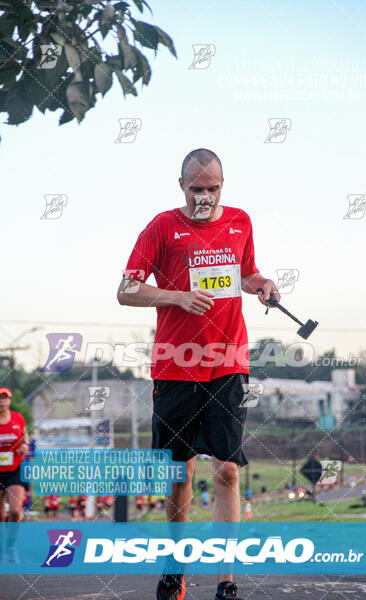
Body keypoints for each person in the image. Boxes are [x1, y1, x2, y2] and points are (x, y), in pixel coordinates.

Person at [117, 148, 280, 600]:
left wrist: (261, 285)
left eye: (213, 188)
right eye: (196, 188)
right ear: (181, 185)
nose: (205, 197)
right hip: (175, 363)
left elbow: (245, 274)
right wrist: (176, 297)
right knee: (179, 472)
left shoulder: (241, 221)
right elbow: (126, 290)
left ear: (222, 186)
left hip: (229, 361)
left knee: (227, 470)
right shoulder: (162, 227)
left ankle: (226, 580)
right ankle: (175, 567)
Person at [0, 387, 30, 562]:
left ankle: (11, 546)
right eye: (0, 398)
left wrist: (25, 445)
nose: (2, 401)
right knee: (0, 516)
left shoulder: (18, 418)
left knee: (15, 511)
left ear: (9, 401)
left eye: (5, 398)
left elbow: (25, 437)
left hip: (14, 469)